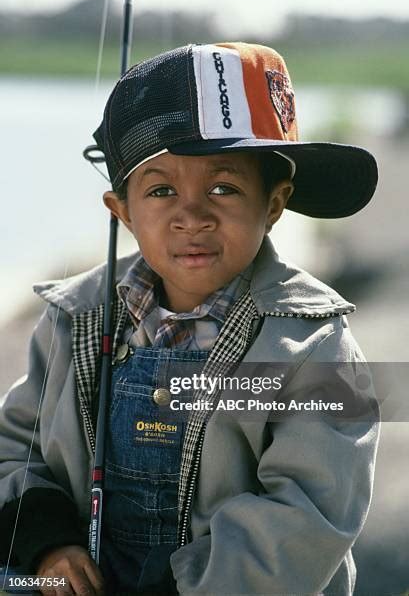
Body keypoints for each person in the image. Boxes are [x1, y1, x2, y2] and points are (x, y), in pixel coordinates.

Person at [0, 42, 379, 595]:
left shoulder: (314, 343)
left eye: (224, 187)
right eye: (160, 190)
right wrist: (47, 545)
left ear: (274, 203)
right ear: (122, 210)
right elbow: (14, 447)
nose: (192, 215)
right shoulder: (72, 319)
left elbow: (307, 513)